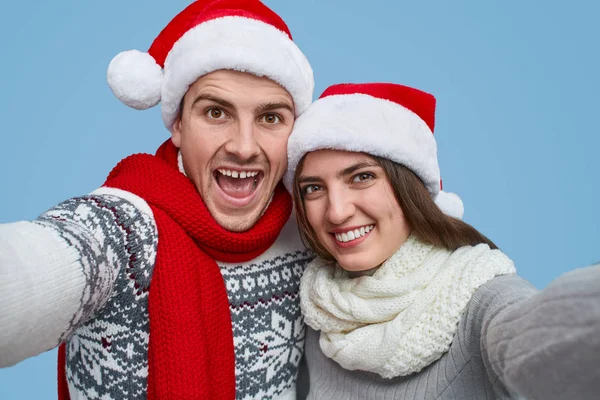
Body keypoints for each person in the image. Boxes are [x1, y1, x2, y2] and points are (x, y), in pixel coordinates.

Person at [0, 1, 315, 399]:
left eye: (270, 117)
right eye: (217, 112)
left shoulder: (312, 231)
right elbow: (32, 269)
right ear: (178, 125)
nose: (244, 147)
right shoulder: (121, 231)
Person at [284, 82, 600, 399]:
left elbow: (542, 339)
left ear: (410, 188)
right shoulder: (319, 307)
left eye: (362, 177)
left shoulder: (478, 297)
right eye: (314, 188)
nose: (336, 213)